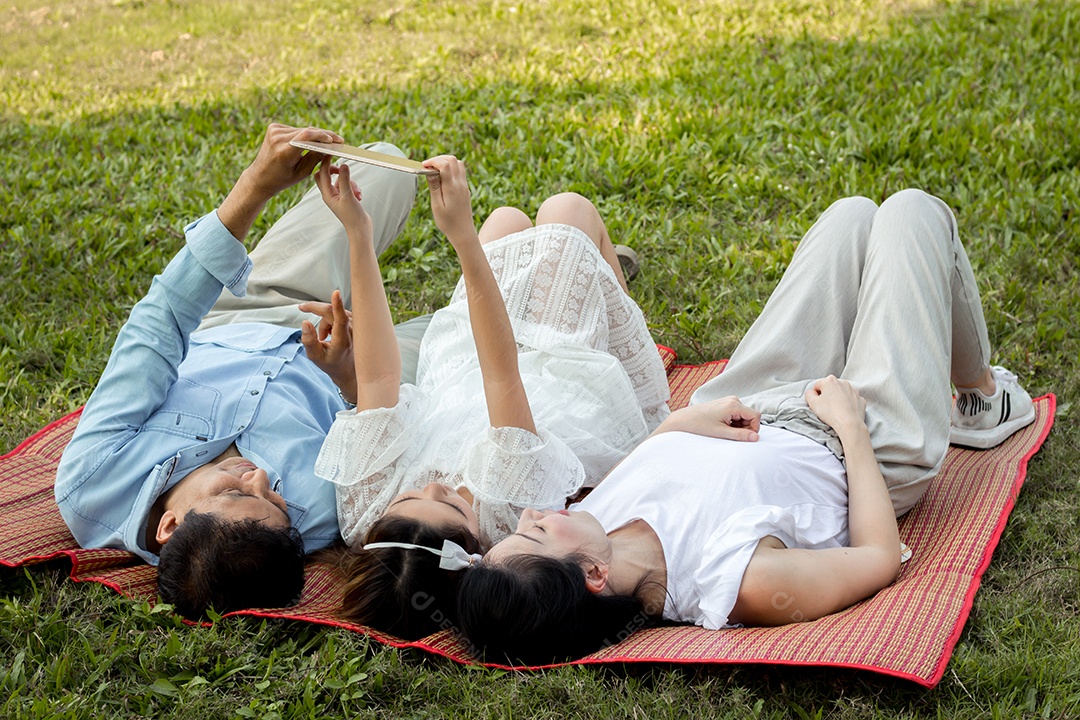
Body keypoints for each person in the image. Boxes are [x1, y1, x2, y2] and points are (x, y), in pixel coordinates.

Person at [456, 189, 1037, 664]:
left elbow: (654, 453)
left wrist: (688, 418)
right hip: (860, 441)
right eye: (534, 533)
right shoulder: (732, 581)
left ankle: (950, 378)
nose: (533, 514)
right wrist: (851, 426)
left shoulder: (593, 525)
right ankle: (983, 398)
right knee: (911, 212)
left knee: (853, 217)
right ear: (595, 577)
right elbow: (878, 557)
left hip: (744, 401)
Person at [55, 123, 430, 619]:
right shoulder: (311, 518)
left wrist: (255, 184)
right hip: (360, 370)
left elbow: (159, 324)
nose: (257, 478)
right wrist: (347, 374)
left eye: (233, 491)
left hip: (244, 316)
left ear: (168, 526)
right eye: (273, 499)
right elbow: (381, 426)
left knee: (381, 167)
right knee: (513, 316)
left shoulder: (94, 478)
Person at [311, 156, 671, 639]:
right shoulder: (507, 512)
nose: (440, 484)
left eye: (416, 491)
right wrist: (461, 237)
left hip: (461, 369)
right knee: (568, 215)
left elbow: (378, 380)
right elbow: (504, 376)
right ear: (479, 552)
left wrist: (358, 231)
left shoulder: (368, 515)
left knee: (506, 221)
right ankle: (611, 292)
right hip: (553, 381)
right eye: (455, 505)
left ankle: (597, 277)